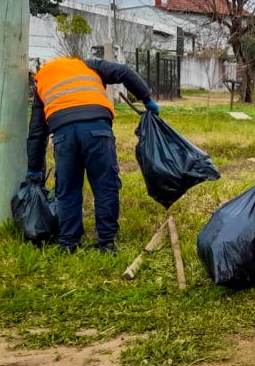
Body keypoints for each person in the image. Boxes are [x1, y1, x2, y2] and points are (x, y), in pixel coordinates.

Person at [26, 56, 158, 253]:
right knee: (105, 185)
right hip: (98, 130)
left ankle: (69, 243)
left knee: (67, 189)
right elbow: (124, 72)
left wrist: (34, 168)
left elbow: (37, 131)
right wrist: (146, 98)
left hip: (64, 135)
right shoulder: (87, 65)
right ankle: (106, 242)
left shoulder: (43, 80)